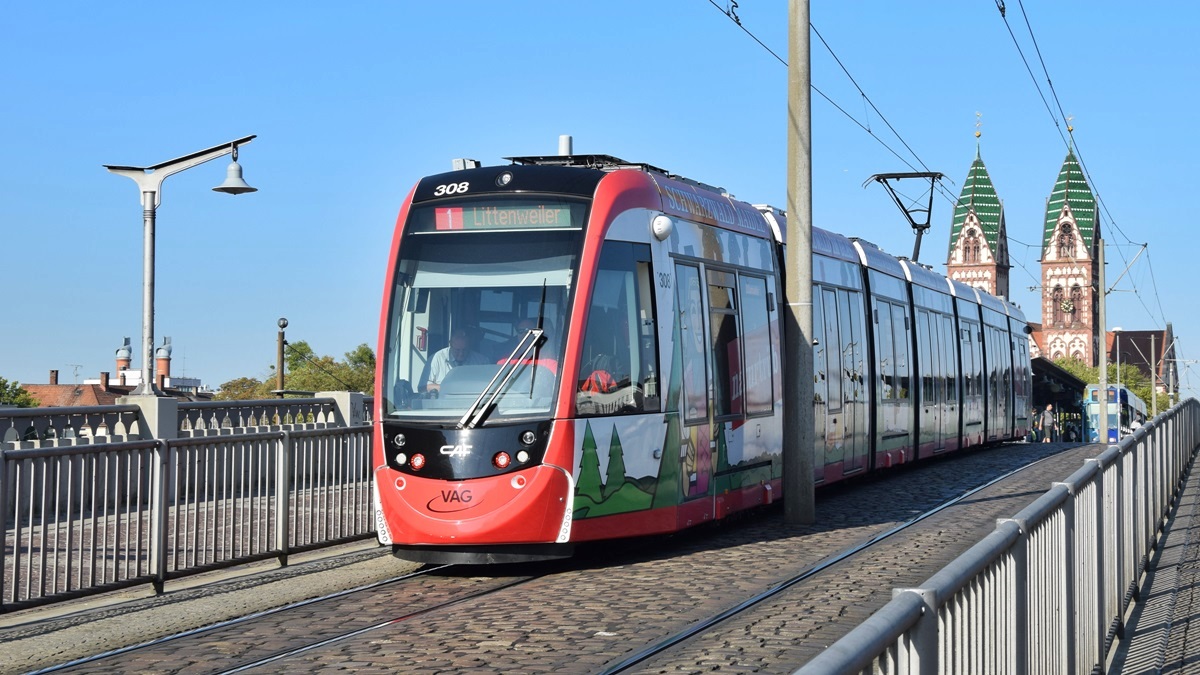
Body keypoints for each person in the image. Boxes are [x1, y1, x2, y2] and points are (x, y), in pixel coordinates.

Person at [426, 329, 487, 393]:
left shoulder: (482, 361)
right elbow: (423, 387)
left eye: (464, 350)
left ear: (469, 346)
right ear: (450, 345)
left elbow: (489, 386)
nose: (461, 354)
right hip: (444, 401)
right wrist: (449, 388)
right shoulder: (437, 358)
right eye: (457, 350)